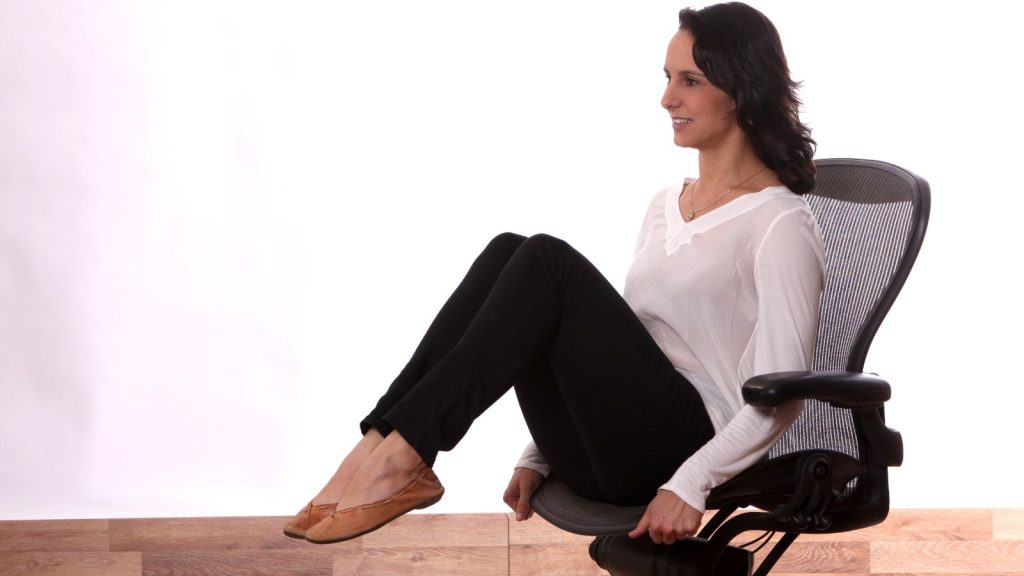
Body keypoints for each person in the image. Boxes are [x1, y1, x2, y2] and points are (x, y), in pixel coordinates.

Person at [283, 1, 824, 546]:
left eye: (690, 80)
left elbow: (782, 397)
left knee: (546, 261)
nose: (667, 98)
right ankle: (379, 443)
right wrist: (537, 454)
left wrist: (691, 483)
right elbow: (628, 344)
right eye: (666, 78)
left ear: (741, 89)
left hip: (678, 452)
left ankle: (400, 456)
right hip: (605, 454)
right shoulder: (665, 205)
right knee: (508, 250)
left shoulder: (779, 223)